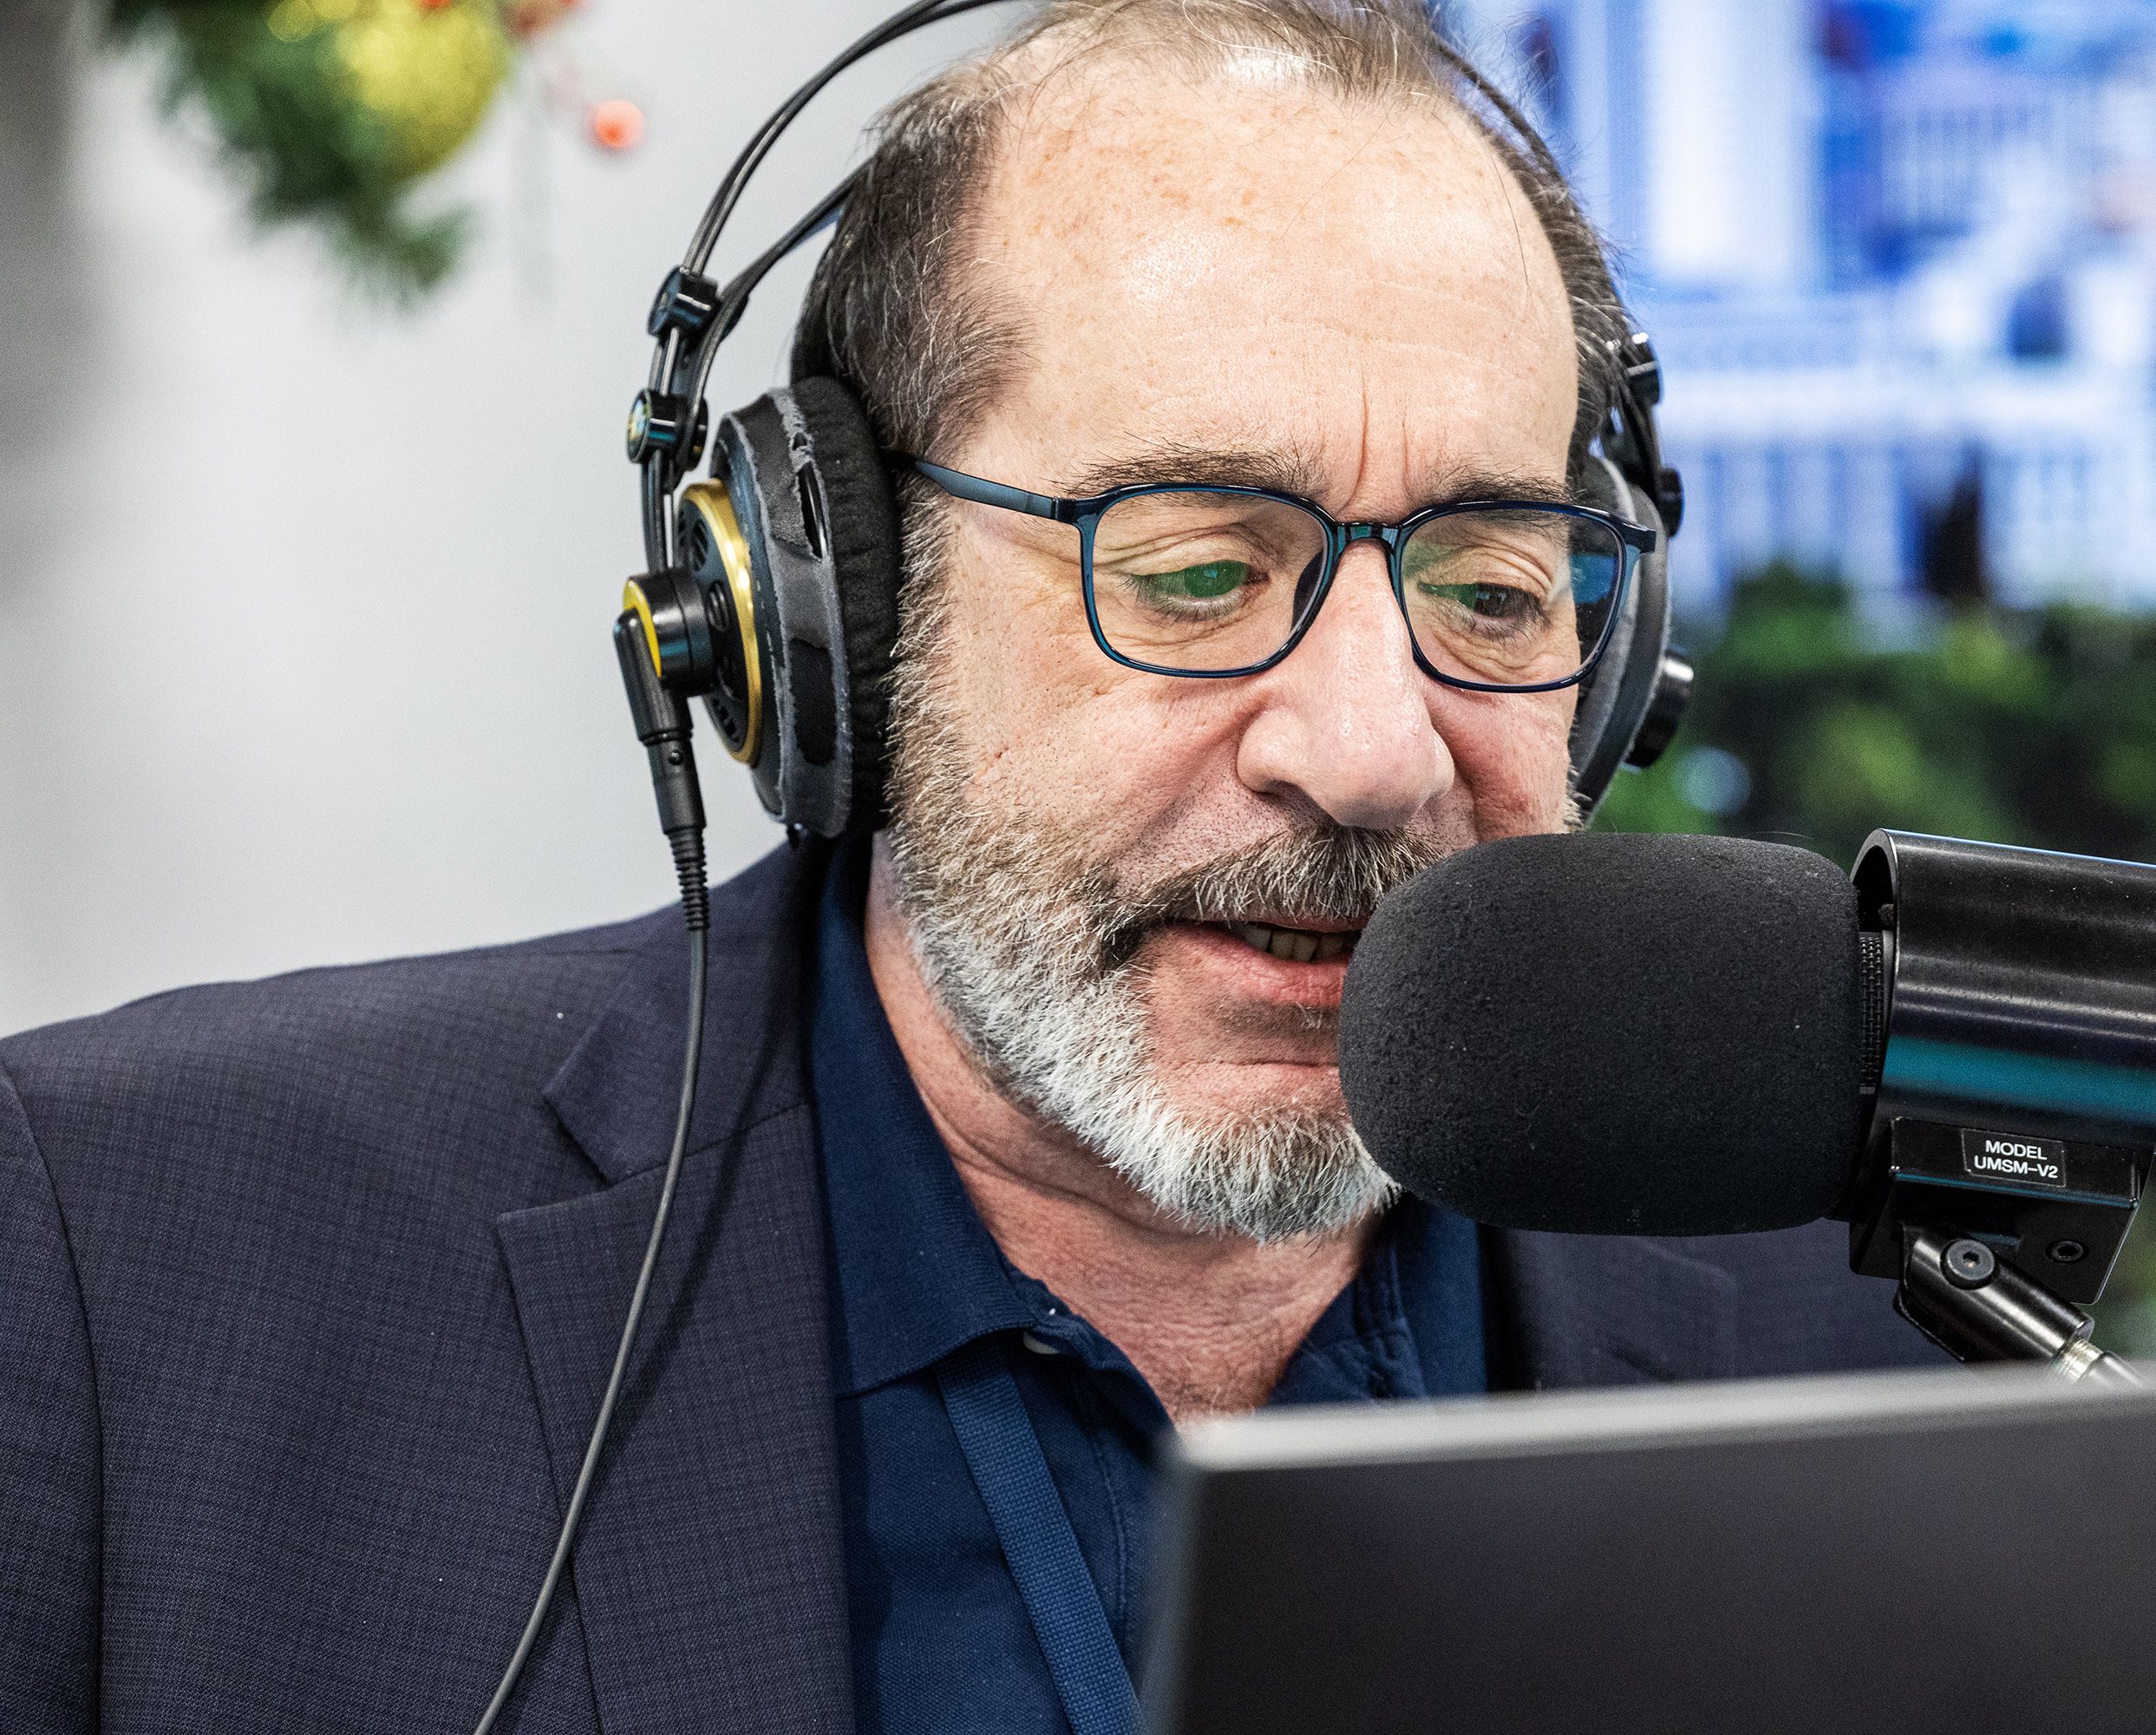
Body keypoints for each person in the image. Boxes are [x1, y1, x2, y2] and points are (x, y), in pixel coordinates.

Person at [0, 3, 1937, 1729]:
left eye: (1493, 591)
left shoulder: (1886, 1334)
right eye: (1198, 572)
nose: (1369, 751)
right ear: (832, 608)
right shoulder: (126, 1274)